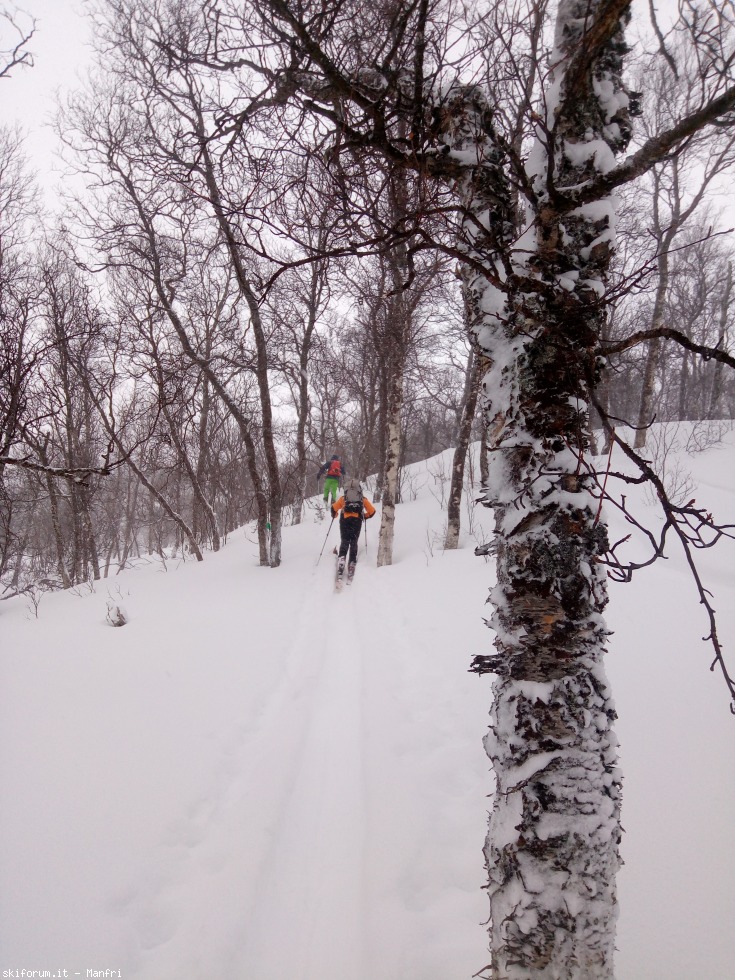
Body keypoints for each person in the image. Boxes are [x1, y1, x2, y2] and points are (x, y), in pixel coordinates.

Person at [331, 478, 376, 579]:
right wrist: (365, 516)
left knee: (344, 541)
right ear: (359, 490)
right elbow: (372, 511)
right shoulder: (362, 499)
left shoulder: (343, 499)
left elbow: (333, 508)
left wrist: (335, 514)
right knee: (353, 542)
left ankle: (342, 560)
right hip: (357, 521)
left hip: (345, 521)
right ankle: (351, 564)